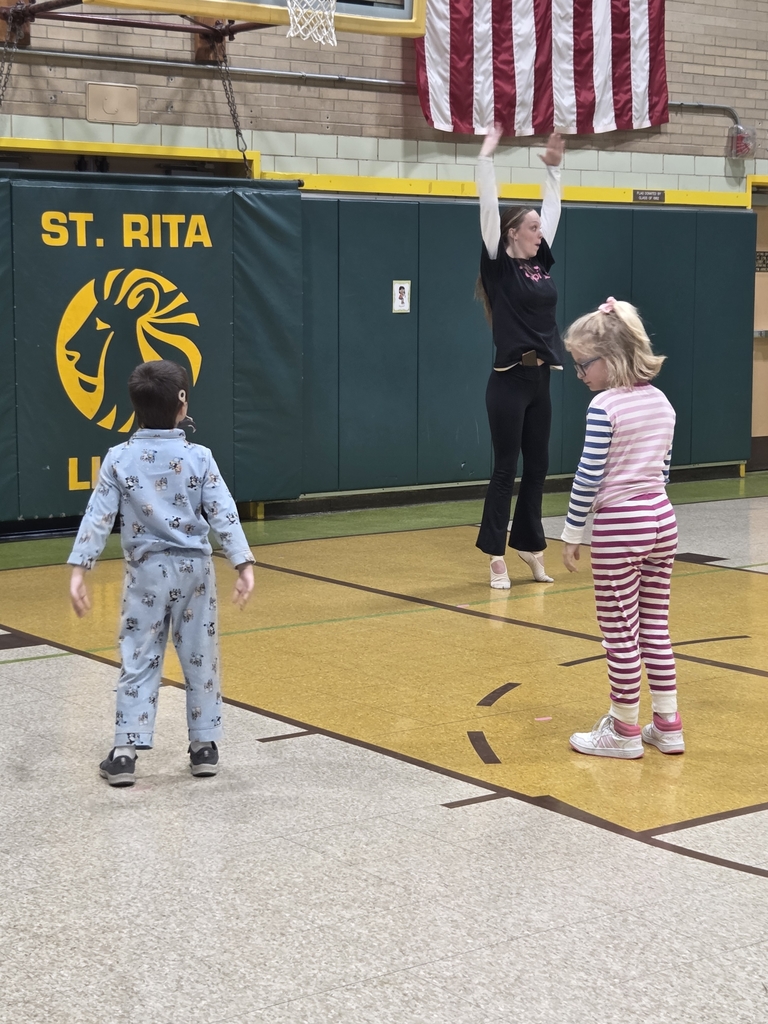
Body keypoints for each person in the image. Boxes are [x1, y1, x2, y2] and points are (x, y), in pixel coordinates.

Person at [67, 359, 255, 786]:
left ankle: (125, 752)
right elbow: (223, 512)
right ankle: (204, 747)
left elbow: (98, 517)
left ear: (135, 405)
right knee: (200, 657)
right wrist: (242, 563)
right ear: (181, 402)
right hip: (195, 571)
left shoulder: (119, 458)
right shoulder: (200, 457)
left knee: (138, 655)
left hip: (145, 574)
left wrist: (80, 568)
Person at [561, 298, 684, 759]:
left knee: (619, 633)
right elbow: (664, 469)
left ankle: (624, 730)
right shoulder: (662, 402)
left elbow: (589, 476)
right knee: (655, 627)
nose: (580, 375)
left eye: (583, 365)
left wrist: (573, 532)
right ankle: (668, 725)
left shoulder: (604, 407)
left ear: (609, 360)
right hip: (662, 520)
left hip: (620, 527)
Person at [475, 125, 565, 589]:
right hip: (508, 381)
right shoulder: (499, 262)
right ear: (512, 234)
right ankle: (494, 555)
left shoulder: (537, 263)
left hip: (541, 381)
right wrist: (486, 160)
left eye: (538, 228)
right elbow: (489, 211)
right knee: (505, 467)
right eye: (530, 228)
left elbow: (552, 211)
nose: (539, 233)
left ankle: (530, 544)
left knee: (540, 466)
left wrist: (554, 170)